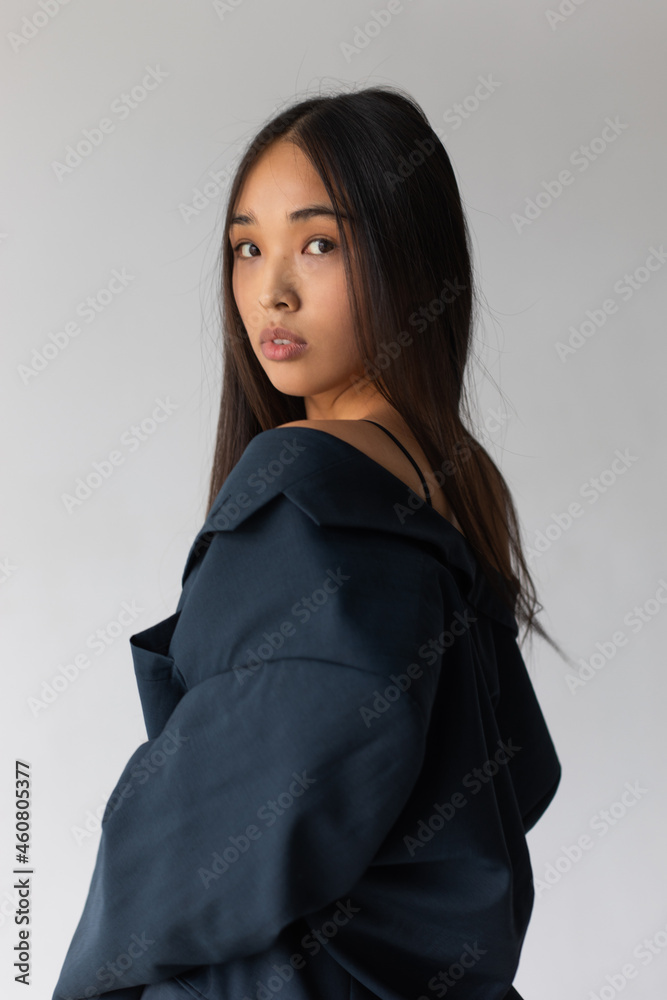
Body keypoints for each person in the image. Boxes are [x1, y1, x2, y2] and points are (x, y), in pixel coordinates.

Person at [52, 85, 568, 1000]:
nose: (271, 291)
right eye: (247, 248)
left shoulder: (308, 483)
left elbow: (208, 837)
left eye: (318, 244)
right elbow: (504, 786)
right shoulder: (454, 482)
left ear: (409, 260)